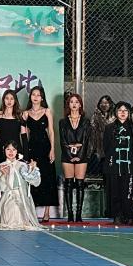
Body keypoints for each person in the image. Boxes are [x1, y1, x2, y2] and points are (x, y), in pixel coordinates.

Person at [23, 85, 57, 221]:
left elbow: (51, 131)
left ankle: (47, 212)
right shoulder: (26, 114)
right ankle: (31, 211)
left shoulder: (47, 111)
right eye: (33, 94)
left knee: (47, 177)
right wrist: (26, 153)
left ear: (42, 98)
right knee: (32, 177)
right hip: (32, 148)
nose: (36, 97)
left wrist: (52, 149)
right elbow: (25, 134)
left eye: (38, 95)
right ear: (30, 97)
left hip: (45, 148)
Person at [58, 92, 91, 223]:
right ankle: (70, 215)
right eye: (71, 102)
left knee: (80, 184)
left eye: (76, 102)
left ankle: (79, 214)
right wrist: (71, 156)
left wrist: (79, 156)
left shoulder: (86, 121)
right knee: (69, 183)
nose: (74, 104)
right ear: (68, 104)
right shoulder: (62, 122)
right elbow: (63, 141)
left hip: (82, 156)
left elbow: (86, 141)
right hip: (67, 156)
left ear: (80, 105)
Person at [0, 140, 42, 230]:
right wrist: (2, 174)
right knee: (10, 214)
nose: (11, 152)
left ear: (17, 151)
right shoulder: (1, 166)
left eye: (14, 149)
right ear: (4, 150)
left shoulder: (23, 165)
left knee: (23, 217)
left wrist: (32, 169)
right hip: (8, 196)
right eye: (8, 149)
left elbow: (36, 182)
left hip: (22, 196)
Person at [103, 102, 133, 225]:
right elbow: (106, 147)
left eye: (125, 110)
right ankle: (117, 215)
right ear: (116, 112)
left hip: (129, 164)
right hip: (114, 164)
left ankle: (129, 215)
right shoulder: (109, 128)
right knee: (115, 189)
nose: (122, 113)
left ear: (129, 113)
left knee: (128, 189)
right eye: (120, 110)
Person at [0, 89, 26, 164]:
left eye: (11, 99)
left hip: (17, 150)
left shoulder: (20, 115)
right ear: (3, 100)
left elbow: (24, 137)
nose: (9, 101)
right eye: (7, 98)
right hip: (1, 150)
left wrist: (26, 156)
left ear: (15, 100)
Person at [88, 95, 115, 178]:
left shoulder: (114, 115)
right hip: (99, 146)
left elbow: (107, 127)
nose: (104, 105)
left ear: (110, 104)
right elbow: (92, 129)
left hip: (111, 146)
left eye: (106, 103)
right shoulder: (95, 115)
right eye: (102, 103)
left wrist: (100, 117)